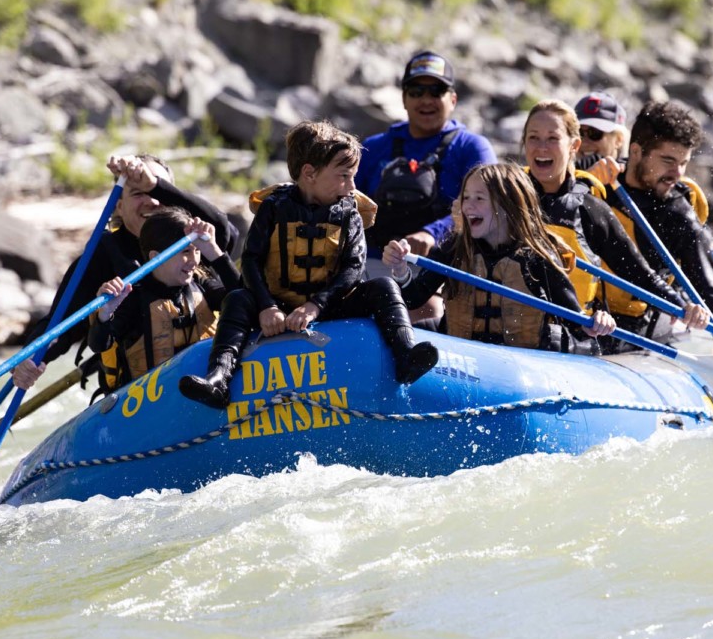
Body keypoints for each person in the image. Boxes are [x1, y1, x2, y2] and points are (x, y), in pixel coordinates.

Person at [179, 120, 438, 409]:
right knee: (238, 299)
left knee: (384, 286)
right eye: (344, 176)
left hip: (329, 306)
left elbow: (353, 269)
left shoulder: (348, 213)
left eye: (353, 177)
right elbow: (251, 261)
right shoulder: (273, 208)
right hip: (276, 306)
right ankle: (220, 379)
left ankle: (406, 355)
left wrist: (315, 305)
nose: (352, 186)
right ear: (309, 173)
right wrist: (267, 307)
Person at [11, 153, 239, 392]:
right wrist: (32, 357)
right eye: (138, 193)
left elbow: (226, 233)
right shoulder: (104, 254)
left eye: (157, 191)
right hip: (139, 392)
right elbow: (62, 325)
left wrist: (154, 185)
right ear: (119, 205)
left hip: (202, 379)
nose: (151, 200)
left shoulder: (195, 244)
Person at [521, 99, 710, 346]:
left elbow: (642, 277)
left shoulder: (590, 206)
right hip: (508, 331)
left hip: (574, 335)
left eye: (553, 138)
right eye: (533, 137)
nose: (542, 147)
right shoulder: (502, 194)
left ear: (572, 146)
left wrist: (682, 308)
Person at [383, 163, 616, 353]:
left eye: (479, 199)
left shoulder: (537, 258)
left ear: (507, 206)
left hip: (519, 367)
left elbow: (576, 324)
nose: (467, 206)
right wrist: (401, 270)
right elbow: (413, 299)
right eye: (466, 197)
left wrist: (598, 322)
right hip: (463, 359)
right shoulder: (455, 248)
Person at [356, 50, 498, 323]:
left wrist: (432, 235)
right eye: (416, 91)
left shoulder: (472, 147)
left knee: (428, 311)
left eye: (436, 91)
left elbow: (488, 206)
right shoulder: (373, 148)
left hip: (438, 267)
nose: (426, 100)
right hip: (375, 262)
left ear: (453, 99)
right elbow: (345, 204)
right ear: (404, 99)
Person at [596, 100, 713, 334]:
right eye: (668, 161)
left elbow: (711, 294)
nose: (677, 174)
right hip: (589, 314)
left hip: (640, 325)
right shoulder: (600, 186)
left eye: (683, 163)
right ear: (635, 152)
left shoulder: (679, 215)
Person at [87, 207, 241, 392]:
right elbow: (98, 344)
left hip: (205, 388)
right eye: (185, 252)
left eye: (197, 250)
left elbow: (243, 298)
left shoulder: (201, 282)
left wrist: (215, 253)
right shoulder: (133, 296)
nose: (194, 260)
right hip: (152, 401)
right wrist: (105, 314)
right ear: (156, 257)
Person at [573, 91, 630, 172]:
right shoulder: (560, 179)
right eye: (578, 133)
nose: (584, 142)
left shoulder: (632, 180)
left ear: (618, 140)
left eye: (594, 133)